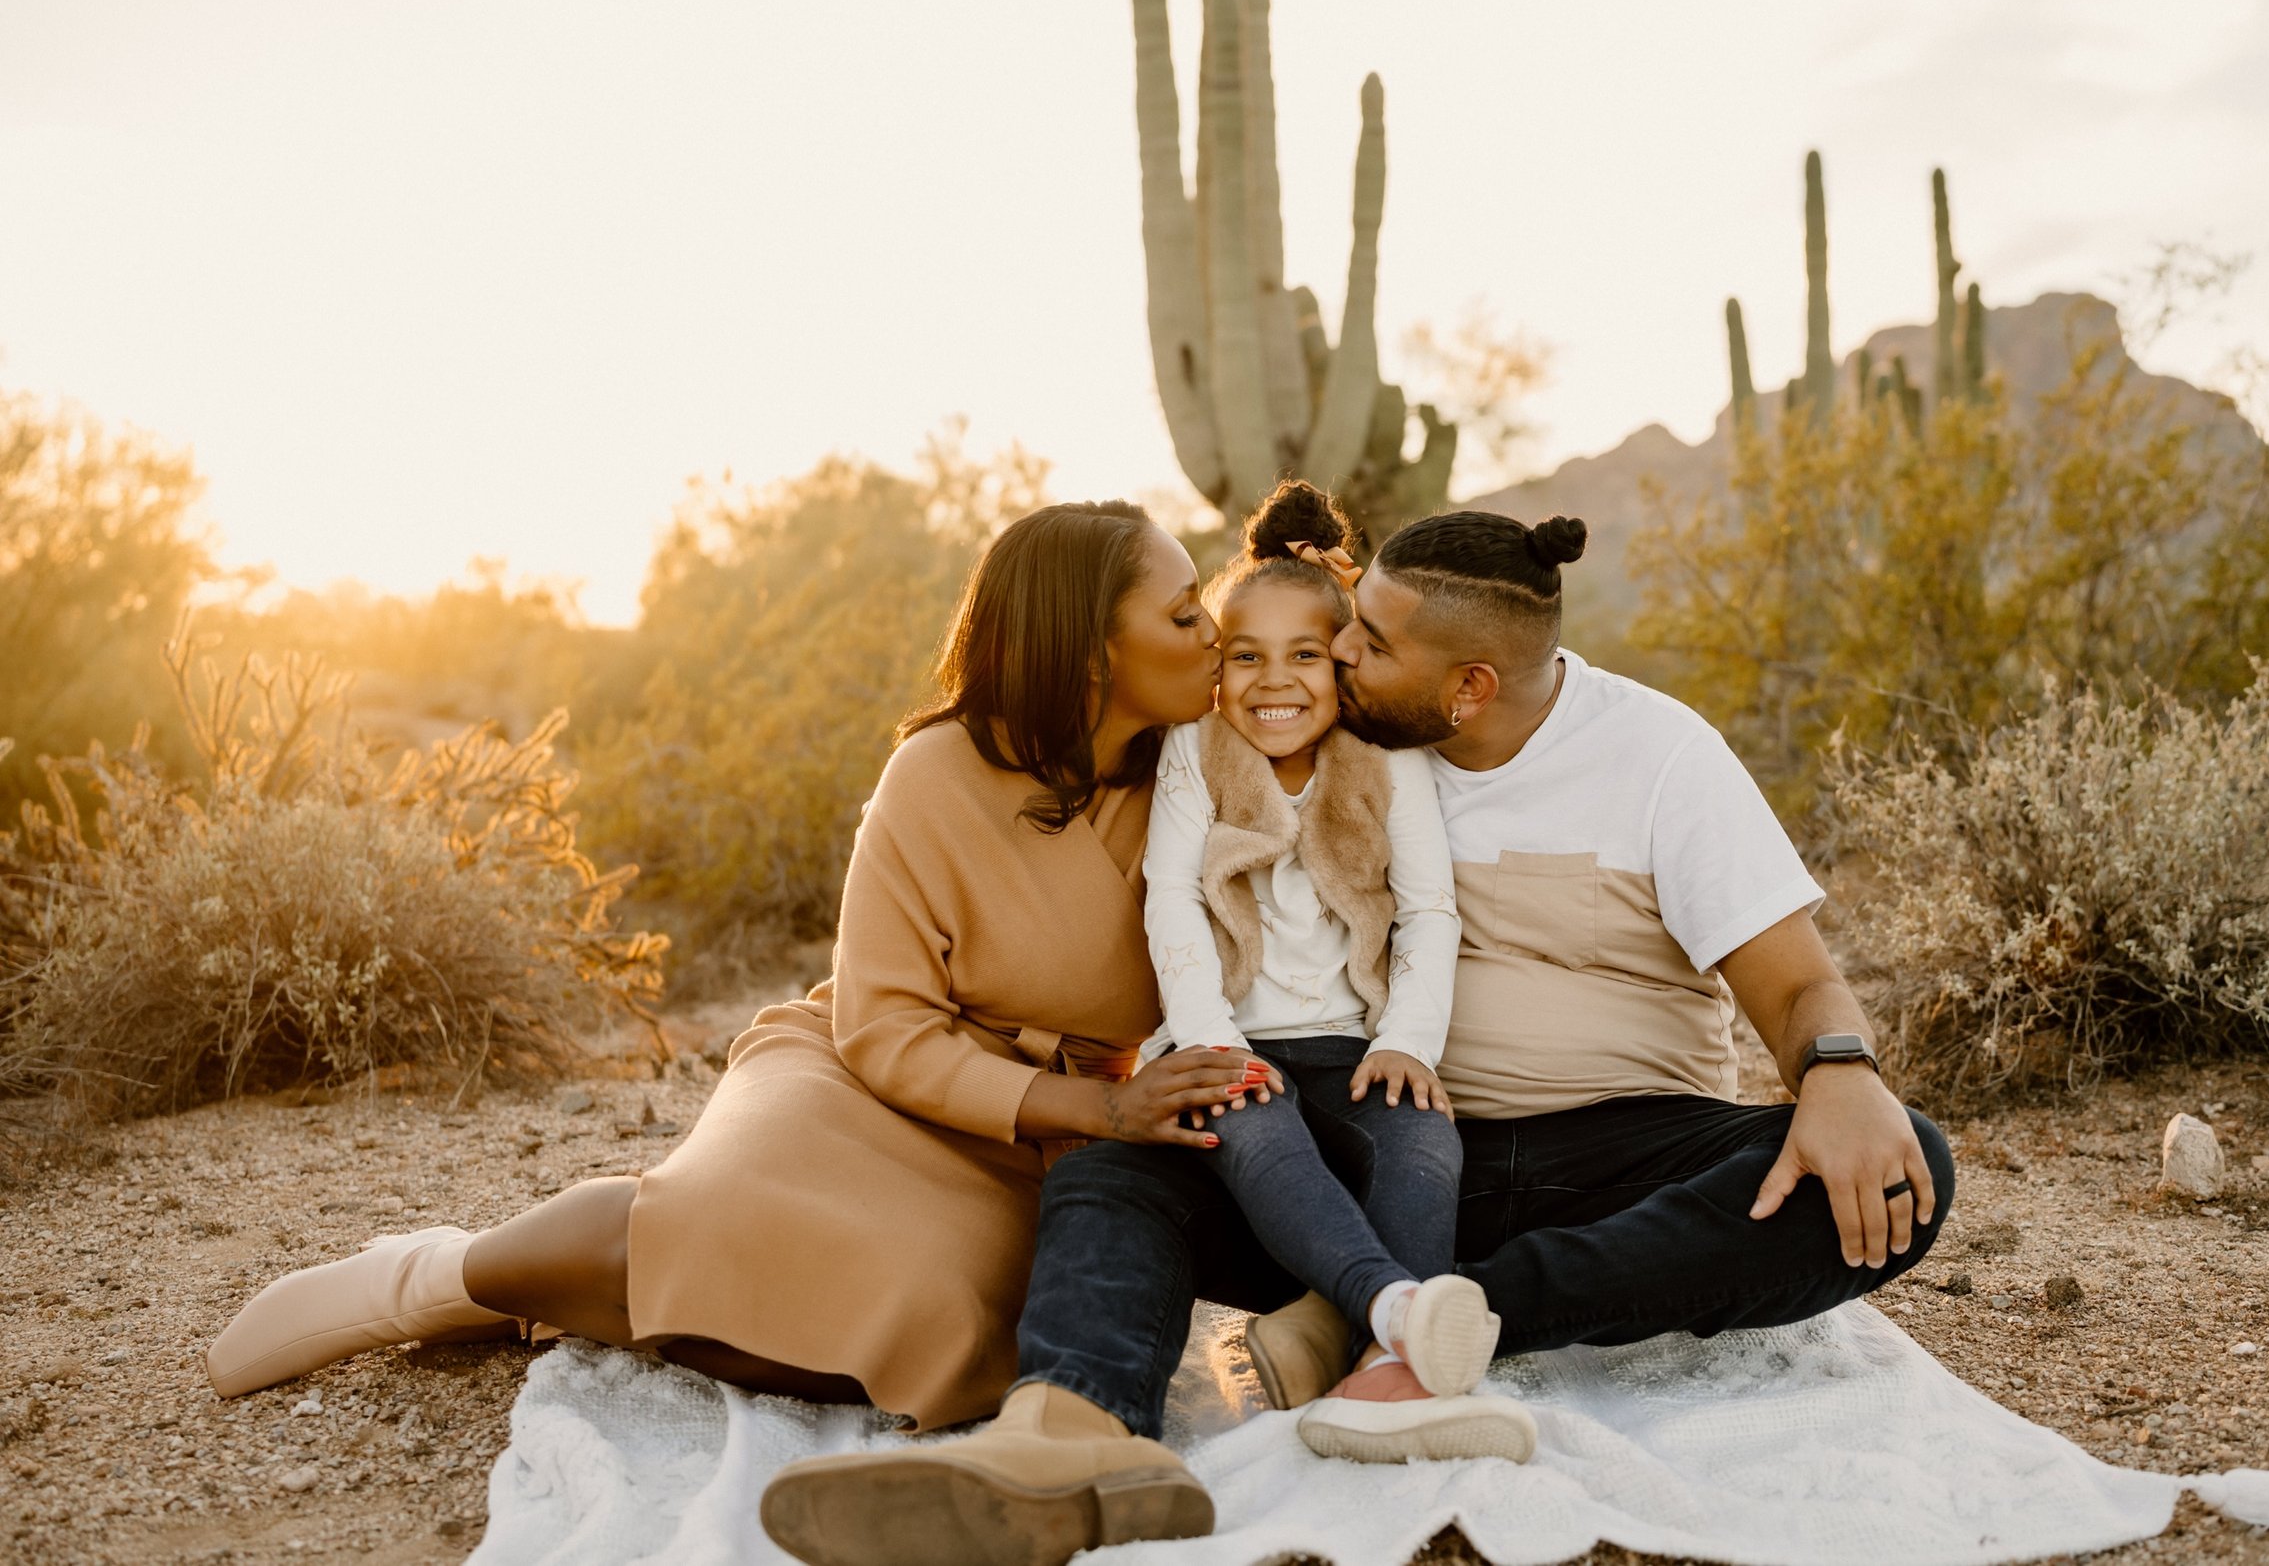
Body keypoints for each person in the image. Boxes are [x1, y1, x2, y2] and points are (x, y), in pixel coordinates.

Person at [757, 507, 1957, 1566]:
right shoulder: (1302, 741)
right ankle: (1068, 1432)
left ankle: (1394, 1325)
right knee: (1122, 1164)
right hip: (1322, 1159)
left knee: (1904, 1166)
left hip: (1601, 1163)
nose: (1335, 653)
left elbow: (1796, 985)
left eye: (1367, 644)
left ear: (1469, 684)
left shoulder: (1657, 758)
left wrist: (1842, 1072)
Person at [203, 500, 1266, 1512]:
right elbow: (883, 1025)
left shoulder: (1200, 775)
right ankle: (444, 1275)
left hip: (1053, 1135)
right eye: (1182, 615)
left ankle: (595, 1305)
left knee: (944, 1336)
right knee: (716, 1231)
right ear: (1089, 653)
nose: (1212, 635)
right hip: (864, 1080)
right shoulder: (934, 772)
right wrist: (1094, 1113)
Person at [1139, 481, 1524, 1462]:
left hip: (1353, 1042)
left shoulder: (1387, 763)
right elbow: (1170, 897)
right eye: (1246, 657)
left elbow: (1430, 911)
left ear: (1341, 664)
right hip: (1234, 1037)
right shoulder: (1193, 753)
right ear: (1216, 672)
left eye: (1305, 654)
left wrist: (1406, 1042)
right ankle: (1397, 1318)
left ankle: (1381, 1374)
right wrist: (1212, 1043)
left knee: (1424, 1141)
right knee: (1262, 1140)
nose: (1277, 682)